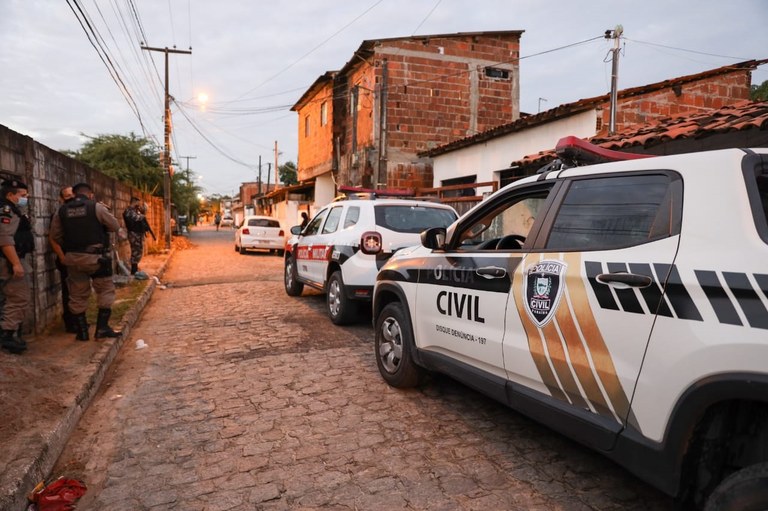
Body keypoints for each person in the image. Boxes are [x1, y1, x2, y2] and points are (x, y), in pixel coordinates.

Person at [49, 182, 121, 341]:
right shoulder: (96, 207)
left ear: (74, 194)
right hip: (95, 259)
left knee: (77, 294)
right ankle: (102, 328)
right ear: (90, 194)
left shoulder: (61, 211)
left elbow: (55, 236)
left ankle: (82, 332)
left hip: (73, 259)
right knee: (105, 290)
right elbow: (115, 225)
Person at [0, 179, 33, 354]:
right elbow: (4, 239)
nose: (25, 198)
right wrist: (16, 263)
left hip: (11, 259)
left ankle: (10, 334)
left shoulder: (13, 209)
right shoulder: (6, 210)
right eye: (22, 195)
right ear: (10, 195)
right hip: (8, 261)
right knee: (18, 297)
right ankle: (8, 336)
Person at [49, 186, 77, 333]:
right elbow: (53, 238)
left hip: (79, 258)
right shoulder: (59, 214)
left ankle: (80, 320)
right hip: (66, 257)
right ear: (61, 199)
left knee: (79, 291)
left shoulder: (81, 213)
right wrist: (62, 257)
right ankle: (71, 323)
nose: (71, 198)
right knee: (68, 291)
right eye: (67, 196)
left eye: (73, 195)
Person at [122, 197, 148, 275]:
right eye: (138, 202)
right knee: (135, 251)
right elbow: (137, 218)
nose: (139, 204)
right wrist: (143, 215)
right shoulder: (128, 211)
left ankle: (135, 268)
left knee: (138, 251)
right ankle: (134, 270)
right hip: (133, 234)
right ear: (134, 202)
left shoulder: (135, 211)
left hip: (137, 234)